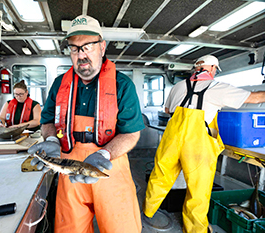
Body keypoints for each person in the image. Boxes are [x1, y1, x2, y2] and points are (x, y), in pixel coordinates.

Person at [28, 15, 144, 233]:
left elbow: (131, 134)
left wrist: (104, 154)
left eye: (87, 47)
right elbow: (47, 121)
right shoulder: (59, 84)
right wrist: (51, 138)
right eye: (74, 48)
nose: (81, 55)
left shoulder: (123, 85)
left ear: (102, 47)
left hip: (109, 167)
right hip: (70, 170)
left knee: (123, 228)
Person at [143, 54, 265, 233]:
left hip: (172, 139)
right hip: (197, 145)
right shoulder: (217, 87)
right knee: (198, 189)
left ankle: (147, 211)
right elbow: (254, 98)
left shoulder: (178, 86)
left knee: (160, 175)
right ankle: (194, 230)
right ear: (213, 69)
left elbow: (168, 110)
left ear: (196, 68)